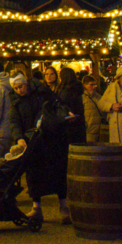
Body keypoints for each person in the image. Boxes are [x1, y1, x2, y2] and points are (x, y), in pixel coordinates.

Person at [9, 72, 71, 224]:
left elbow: (57, 105)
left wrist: (65, 114)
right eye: (16, 88)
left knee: (57, 172)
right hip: (33, 142)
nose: (19, 90)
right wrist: (19, 138)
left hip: (51, 139)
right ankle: (37, 208)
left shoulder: (42, 94)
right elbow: (14, 122)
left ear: (26, 84)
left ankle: (63, 207)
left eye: (21, 86)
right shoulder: (16, 102)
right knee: (34, 174)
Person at [58, 66, 86, 145]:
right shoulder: (78, 89)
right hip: (79, 123)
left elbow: (62, 105)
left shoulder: (66, 91)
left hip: (69, 124)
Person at [82, 74, 106, 144]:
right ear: (84, 85)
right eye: (91, 85)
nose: (93, 87)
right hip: (89, 129)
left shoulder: (97, 96)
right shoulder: (82, 97)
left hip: (100, 129)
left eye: (95, 85)